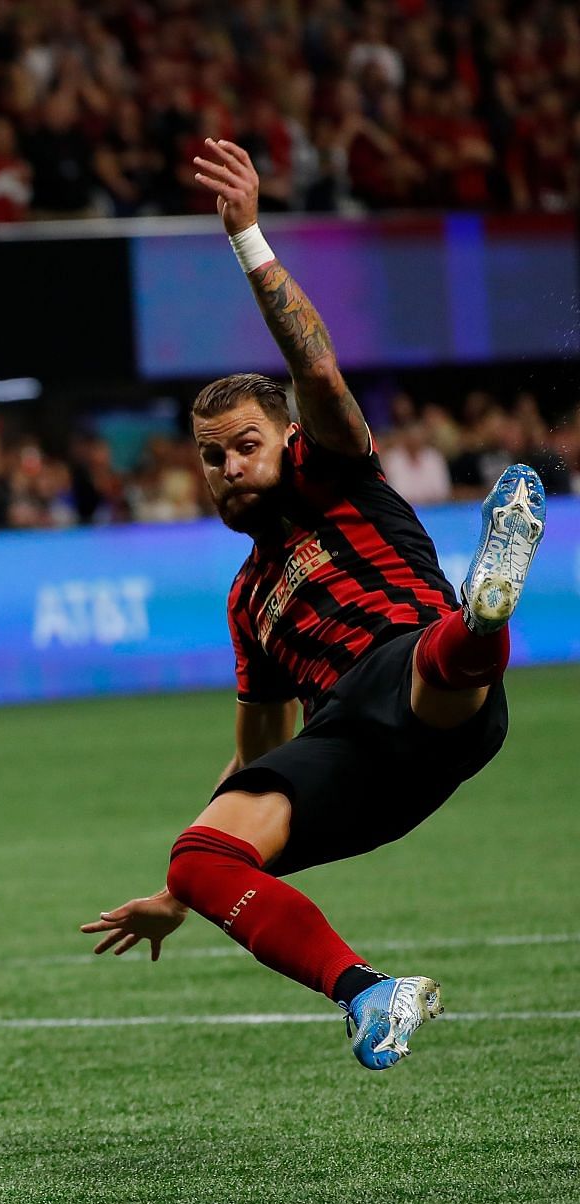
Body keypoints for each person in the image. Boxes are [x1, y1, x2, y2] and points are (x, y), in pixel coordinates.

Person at [81, 140, 547, 1071]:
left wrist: (247, 235)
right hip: (362, 760)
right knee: (198, 855)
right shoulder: (249, 599)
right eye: (211, 457)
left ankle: (481, 618)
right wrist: (183, 896)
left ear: (287, 436)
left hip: (418, 682)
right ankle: (371, 993)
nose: (228, 466)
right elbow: (264, 749)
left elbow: (320, 370)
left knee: (418, 664)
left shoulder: (333, 475)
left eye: (244, 444)